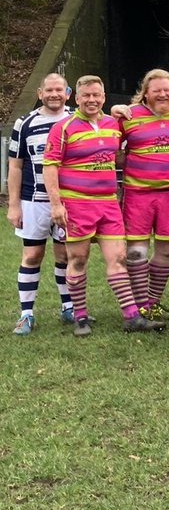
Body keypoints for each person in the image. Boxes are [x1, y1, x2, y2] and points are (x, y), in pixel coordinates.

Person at [42, 75, 164, 335]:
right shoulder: (63, 128)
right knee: (78, 259)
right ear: (76, 98)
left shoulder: (112, 124)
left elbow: (118, 155)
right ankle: (80, 317)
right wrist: (56, 204)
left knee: (118, 258)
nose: (91, 100)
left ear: (104, 97)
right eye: (86, 95)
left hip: (108, 204)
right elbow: (50, 166)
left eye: (96, 95)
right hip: (76, 204)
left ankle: (131, 317)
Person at [117, 69, 169, 323]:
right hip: (138, 193)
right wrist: (113, 112)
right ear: (145, 94)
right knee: (136, 252)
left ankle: (152, 302)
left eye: (168, 90)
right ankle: (141, 306)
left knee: (168, 249)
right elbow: (108, 143)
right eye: (157, 91)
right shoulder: (129, 115)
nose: (163, 94)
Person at [8, 73, 74, 333]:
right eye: (49, 90)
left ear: (68, 93)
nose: (54, 94)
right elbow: (15, 166)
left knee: (65, 255)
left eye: (59, 90)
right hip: (34, 201)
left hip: (68, 201)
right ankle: (26, 315)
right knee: (32, 255)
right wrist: (14, 205)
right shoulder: (24, 123)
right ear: (40, 93)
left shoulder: (77, 120)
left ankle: (68, 308)